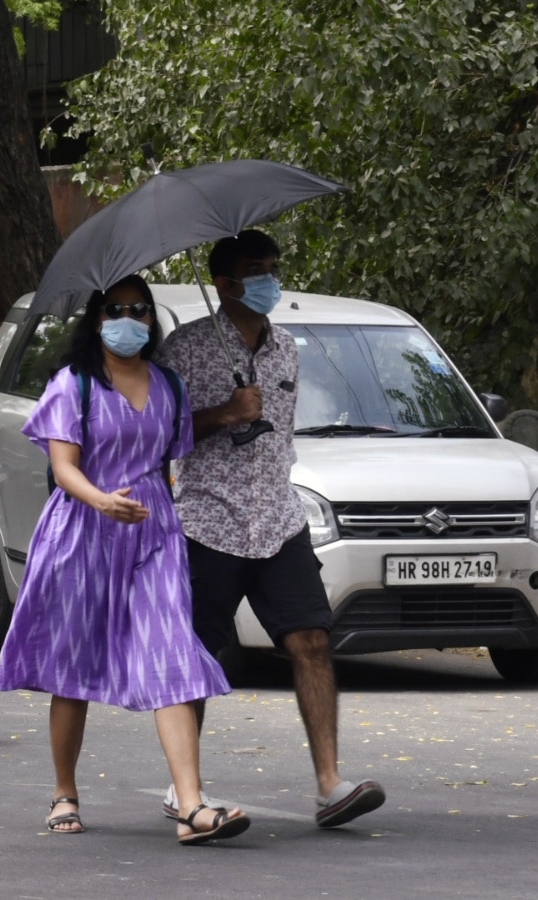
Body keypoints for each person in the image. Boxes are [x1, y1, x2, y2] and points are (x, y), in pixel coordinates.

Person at [0, 274, 250, 845]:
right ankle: (65, 792)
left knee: (175, 656)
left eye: (139, 309)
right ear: (96, 317)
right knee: (73, 669)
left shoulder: (170, 387)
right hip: (82, 532)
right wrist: (102, 501)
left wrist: (234, 412)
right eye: (117, 309)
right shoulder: (73, 385)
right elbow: (64, 469)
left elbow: (171, 458)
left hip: (153, 533)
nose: (129, 319)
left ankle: (191, 807)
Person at [158, 229, 386, 827]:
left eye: (274, 268)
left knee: (311, 639)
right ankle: (185, 790)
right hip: (209, 519)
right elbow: (159, 432)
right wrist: (226, 414)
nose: (270, 280)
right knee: (198, 654)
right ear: (226, 283)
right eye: (257, 271)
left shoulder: (286, 348)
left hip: (278, 519)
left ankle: (330, 785)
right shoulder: (183, 349)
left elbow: (280, 436)